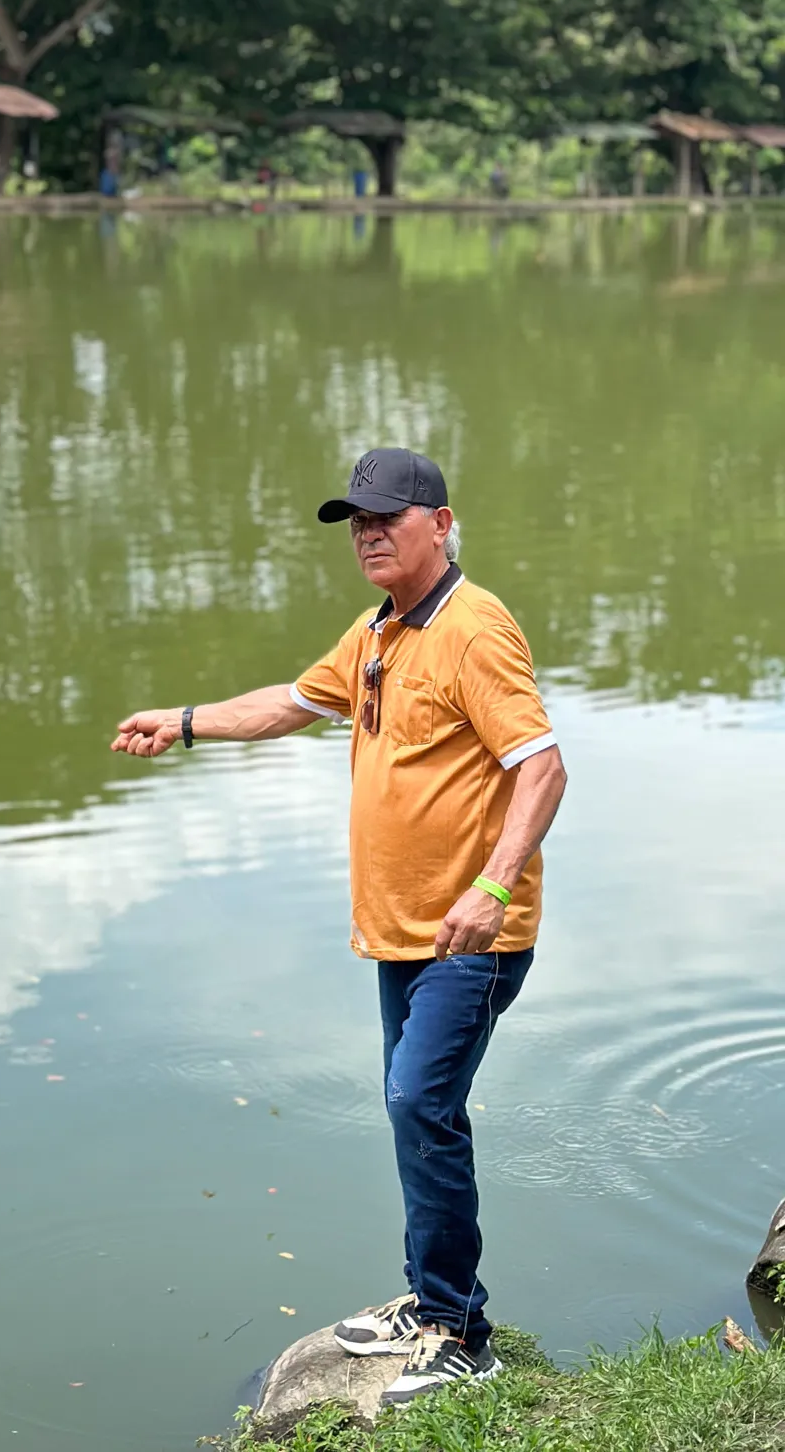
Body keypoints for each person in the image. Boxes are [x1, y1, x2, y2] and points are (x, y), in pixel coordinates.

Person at [112, 447, 567, 1405]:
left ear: (438, 522)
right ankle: (430, 1301)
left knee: (418, 1104)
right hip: (401, 932)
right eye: (355, 521)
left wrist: (492, 887)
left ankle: (459, 1332)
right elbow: (289, 703)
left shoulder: (474, 630)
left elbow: (542, 768)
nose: (367, 534)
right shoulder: (376, 632)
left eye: (386, 518)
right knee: (414, 1110)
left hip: (469, 934)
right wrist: (185, 722)